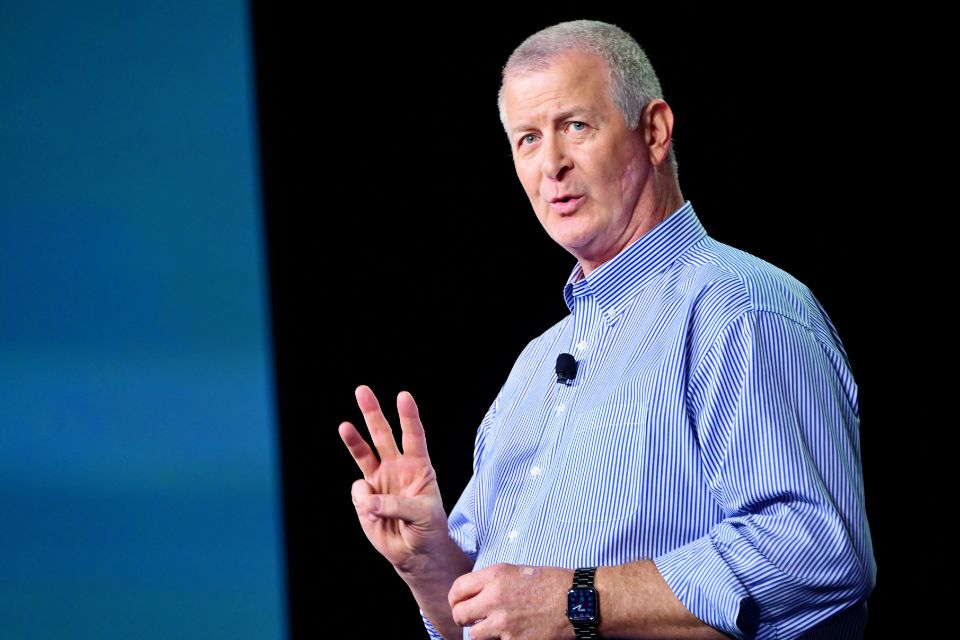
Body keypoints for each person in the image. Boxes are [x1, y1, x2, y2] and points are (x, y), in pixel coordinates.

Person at [339, 19, 875, 640]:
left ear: (654, 131)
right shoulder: (534, 367)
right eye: (528, 139)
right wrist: (431, 567)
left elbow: (816, 552)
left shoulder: (742, 309)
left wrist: (578, 601)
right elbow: (495, 621)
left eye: (575, 126)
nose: (552, 165)